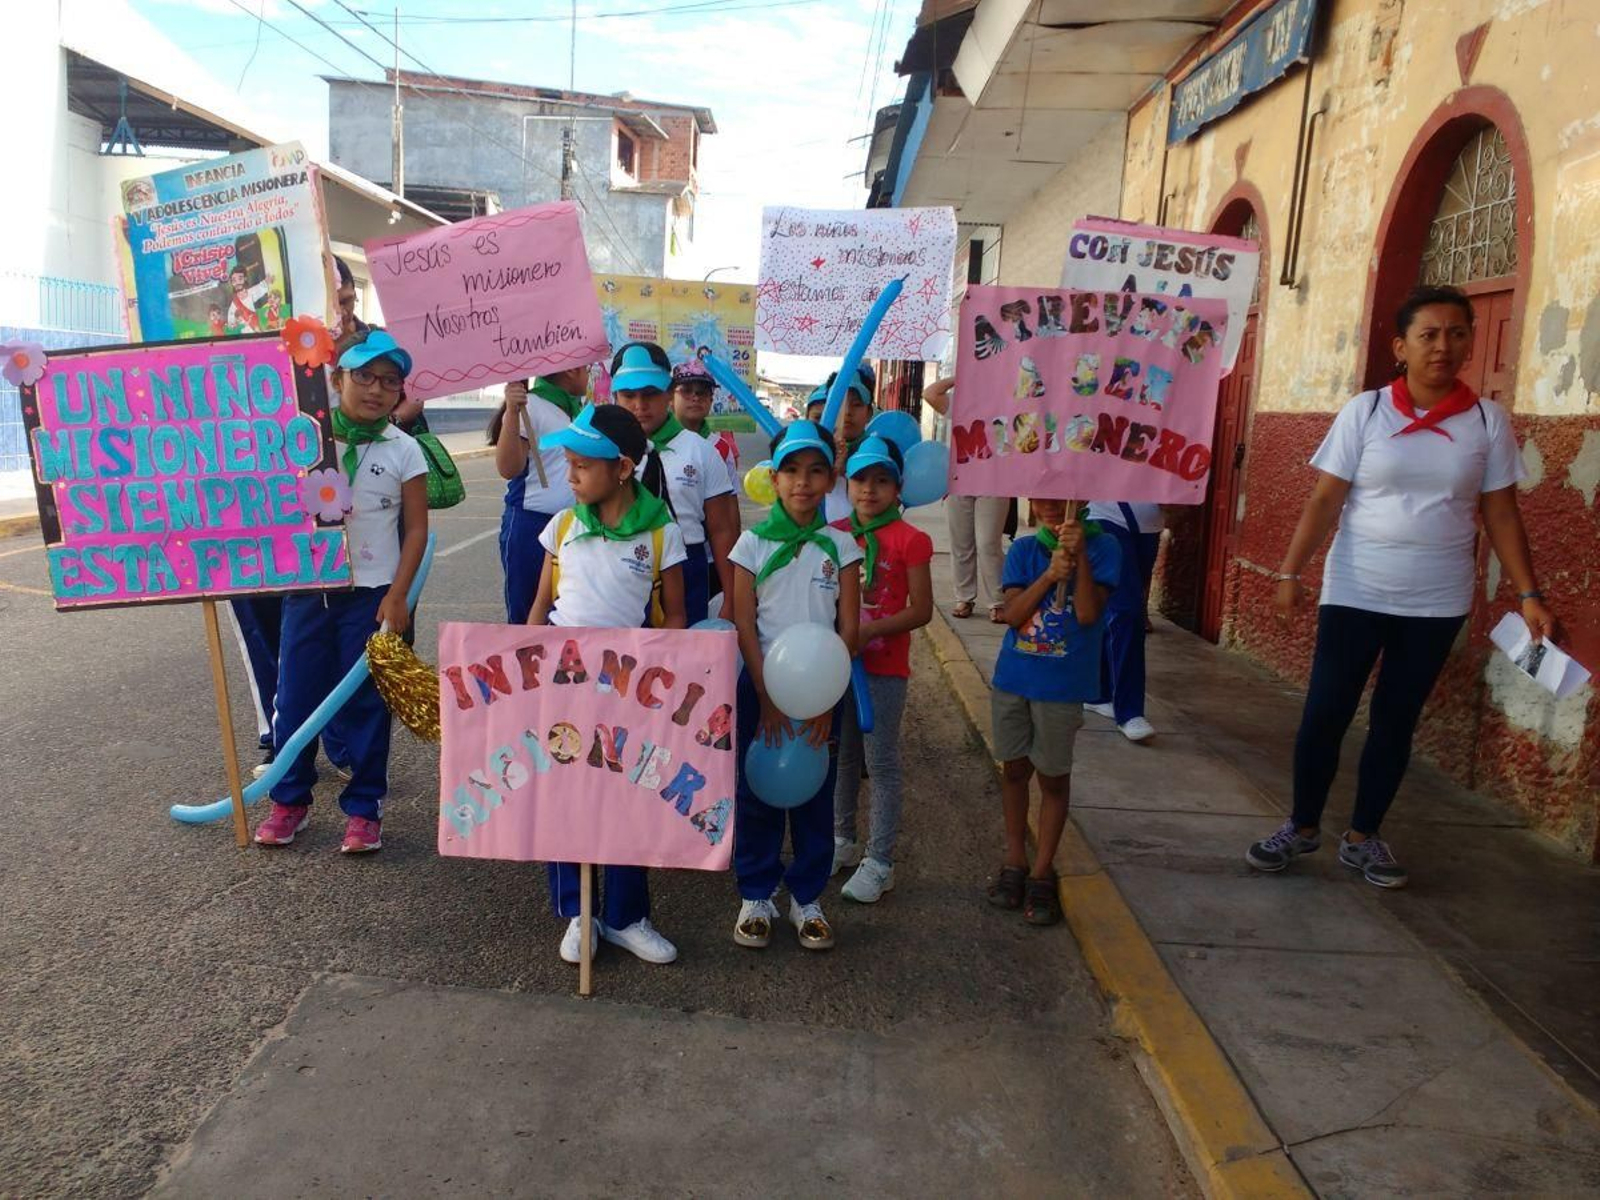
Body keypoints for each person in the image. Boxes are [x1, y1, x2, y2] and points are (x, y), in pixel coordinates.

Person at [1245, 284, 1555, 889]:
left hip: (1435, 599)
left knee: (1395, 719)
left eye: (1457, 333)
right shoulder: (1365, 412)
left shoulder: (1488, 423)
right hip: (1355, 589)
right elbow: (1325, 498)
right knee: (1325, 712)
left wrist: (1528, 593)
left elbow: (1501, 514)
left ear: (1469, 341)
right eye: (1429, 334)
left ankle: (1364, 836)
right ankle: (1302, 826)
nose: (1444, 346)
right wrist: (1289, 571)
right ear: (1401, 345)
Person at [253, 328, 429, 853]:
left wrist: (399, 596)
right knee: (298, 695)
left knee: (366, 703)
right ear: (338, 378)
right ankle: (289, 800)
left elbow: (416, 529)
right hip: (309, 590)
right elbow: (271, 503)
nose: (376, 390)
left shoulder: (404, 449)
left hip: (372, 597)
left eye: (390, 381)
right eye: (365, 377)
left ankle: (364, 806)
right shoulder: (307, 437)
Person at [529, 403, 688, 964]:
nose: (568, 476)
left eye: (580, 466)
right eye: (568, 464)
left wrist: (660, 689)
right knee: (566, 793)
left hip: (627, 691)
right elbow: (539, 609)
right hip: (564, 687)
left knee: (624, 795)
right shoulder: (564, 526)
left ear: (622, 468)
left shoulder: (662, 532)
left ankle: (625, 914)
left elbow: (676, 621)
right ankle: (579, 911)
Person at [729, 420, 862, 950]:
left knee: (815, 794)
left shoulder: (841, 547)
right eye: (791, 470)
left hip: (823, 690)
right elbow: (743, 624)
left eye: (814, 471)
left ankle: (807, 897)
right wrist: (765, 696)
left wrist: (825, 697)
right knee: (757, 789)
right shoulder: (751, 544)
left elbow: (848, 630)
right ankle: (756, 894)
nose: (802, 482)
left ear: (831, 479)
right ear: (773, 478)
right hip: (760, 686)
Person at [987, 499, 1119, 925]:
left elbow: (1086, 613)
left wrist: (1078, 560)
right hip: (1015, 681)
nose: (1047, 506)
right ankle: (1014, 859)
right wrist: (1048, 574)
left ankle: (1043, 871)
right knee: (1014, 770)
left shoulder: (1106, 548)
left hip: (1062, 689)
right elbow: (1012, 615)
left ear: (1080, 501)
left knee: (1053, 778)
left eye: (1059, 497)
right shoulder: (1024, 550)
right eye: (1039, 496)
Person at [829, 435, 934, 902]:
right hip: (836, 664)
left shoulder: (911, 540)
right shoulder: (833, 532)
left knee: (882, 760)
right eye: (860, 480)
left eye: (881, 480)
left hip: (885, 667)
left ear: (899, 487)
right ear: (847, 484)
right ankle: (841, 839)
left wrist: (871, 631)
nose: (869, 490)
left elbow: (922, 609)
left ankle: (881, 859)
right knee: (843, 754)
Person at [609, 342, 740, 625]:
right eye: (629, 395)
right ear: (615, 396)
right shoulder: (603, 452)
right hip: (620, 570)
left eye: (650, 394)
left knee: (683, 662)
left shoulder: (701, 450)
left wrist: (731, 597)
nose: (639, 405)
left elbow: (721, 530)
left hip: (687, 568)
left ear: (668, 393)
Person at [496, 365, 590, 623]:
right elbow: (508, 468)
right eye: (587, 368)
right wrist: (513, 413)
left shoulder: (577, 409)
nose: (589, 374)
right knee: (527, 615)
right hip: (531, 527)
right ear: (571, 372)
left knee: (565, 614)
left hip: (572, 527)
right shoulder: (530, 405)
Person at [922, 375, 1009, 622]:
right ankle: (964, 598)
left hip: (995, 483)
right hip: (959, 482)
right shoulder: (960, 404)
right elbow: (930, 394)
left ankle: (998, 600)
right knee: (961, 545)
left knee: (988, 544)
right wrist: (961, 374)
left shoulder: (1008, 404)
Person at [1084, 502, 1163, 742]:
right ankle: (1130, 711)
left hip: (1151, 522)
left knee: (1114, 606)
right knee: (1127, 612)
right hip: (1106, 514)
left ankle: (1098, 692)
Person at [671, 359, 740, 474]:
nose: (695, 398)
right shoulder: (655, 443)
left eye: (702, 392)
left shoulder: (721, 448)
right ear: (670, 398)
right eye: (686, 391)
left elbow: (730, 491)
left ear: (711, 400)